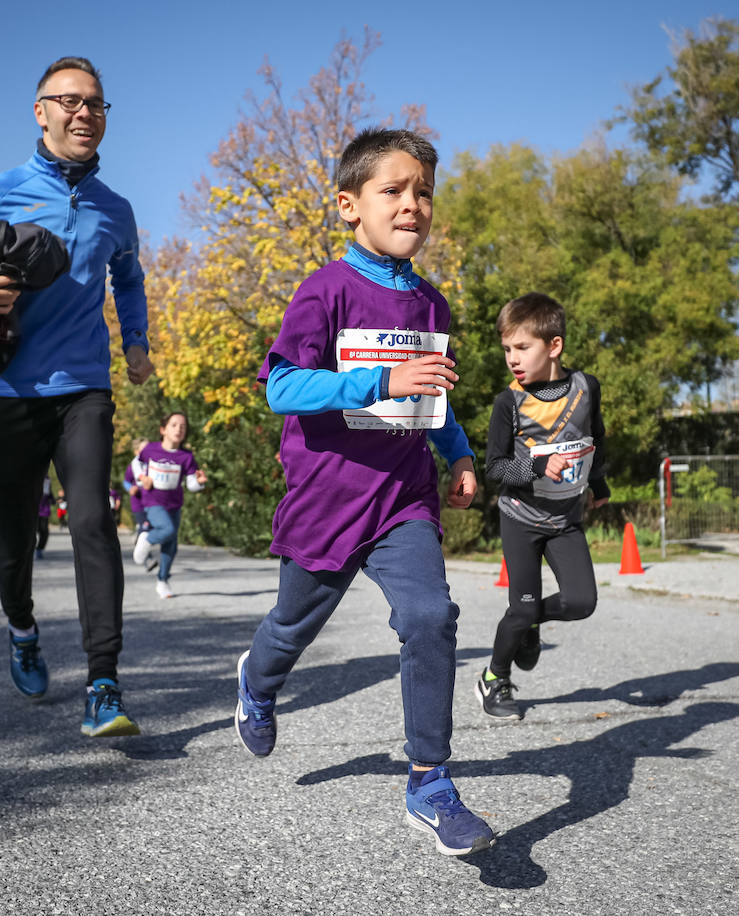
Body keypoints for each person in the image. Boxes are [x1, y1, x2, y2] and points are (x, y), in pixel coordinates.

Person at [233, 127, 494, 857]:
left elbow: (432, 397)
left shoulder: (434, 308)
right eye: (394, 190)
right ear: (349, 204)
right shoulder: (325, 290)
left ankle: (430, 780)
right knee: (292, 627)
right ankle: (257, 682)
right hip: (327, 497)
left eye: (424, 194)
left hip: (403, 499)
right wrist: (379, 381)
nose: (413, 205)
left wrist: (460, 453)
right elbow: (281, 387)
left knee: (430, 614)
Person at [0, 56, 153, 737]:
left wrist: (135, 341)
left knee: (92, 521)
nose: (86, 114)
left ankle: (103, 682)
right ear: (41, 111)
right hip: (8, 392)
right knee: (15, 531)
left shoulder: (116, 209)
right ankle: (22, 626)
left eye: (98, 105)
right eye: (72, 102)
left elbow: (129, 280)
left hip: (84, 387)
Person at [478, 293, 610, 721]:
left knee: (581, 602)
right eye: (507, 350)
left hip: (565, 518)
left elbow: (597, 438)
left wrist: (600, 481)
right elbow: (495, 468)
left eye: (522, 348)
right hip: (521, 518)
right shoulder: (509, 402)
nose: (512, 359)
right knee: (521, 606)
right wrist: (537, 464)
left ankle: (532, 621)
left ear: (553, 346)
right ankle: (494, 679)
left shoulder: (586, 388)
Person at [131, 413, 206, 599]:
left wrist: (200, 482)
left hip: (173, 504)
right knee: (167, 529)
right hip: (152, 501)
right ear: (163, 429)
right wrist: (142, 478)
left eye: (183, 426)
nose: (179, 429)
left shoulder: (186, 457)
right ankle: (146, 538)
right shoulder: (150, 449)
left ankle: (162, 580)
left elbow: (191, 485)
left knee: (171, 545)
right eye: (174, 425)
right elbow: (136, 464)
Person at [35, 477, 54, 559]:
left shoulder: (47, 481)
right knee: (32, 531)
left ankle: (39, 549)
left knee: (44, 531)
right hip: (33, 512)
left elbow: (50, 495)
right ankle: (29, 549)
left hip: (44, 512)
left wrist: (52, 499)